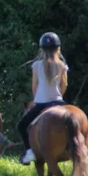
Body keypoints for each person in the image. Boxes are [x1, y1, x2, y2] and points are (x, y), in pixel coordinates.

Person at [18, 32, 68, 165]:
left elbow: (34, 86)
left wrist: (37, 98)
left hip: (41, 103)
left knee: (21, 126)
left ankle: (30, 152)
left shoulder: (37, 65)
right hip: (58, 102)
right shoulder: (62, 65)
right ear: (58, 49)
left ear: (42, 49)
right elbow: (64, 85)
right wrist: (58, 96)